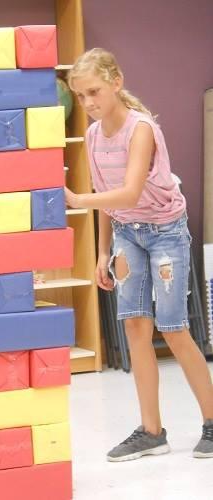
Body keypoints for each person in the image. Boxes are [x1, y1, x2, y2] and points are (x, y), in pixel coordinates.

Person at [64, 48, 213, 462]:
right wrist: (102, 252)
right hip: (127, 233)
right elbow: (112, 205)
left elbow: (128, 191)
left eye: (94, 91)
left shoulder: (140, 129)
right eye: (80, 96)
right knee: (134, 330)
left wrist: (77, 198)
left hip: (166, 234)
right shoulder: (92, 137)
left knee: (174, 328)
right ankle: (151, 431)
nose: (89, 102)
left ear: (116, 82)